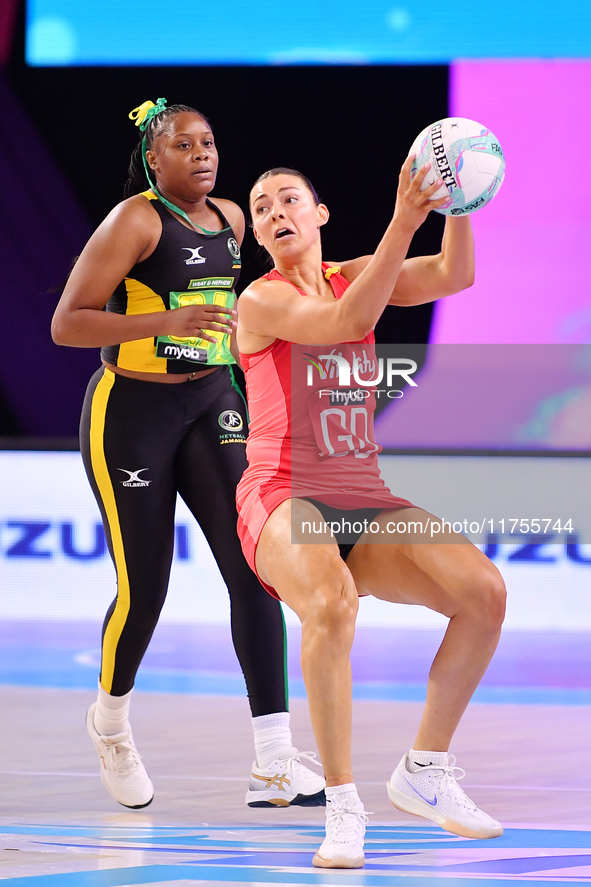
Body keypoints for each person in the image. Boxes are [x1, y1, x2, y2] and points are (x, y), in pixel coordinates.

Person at [51, 99, 324, 810]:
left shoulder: (233, 219)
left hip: (210, 402)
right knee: (145, 588)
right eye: (184, 145)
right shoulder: (134, 221)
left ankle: (273, 759)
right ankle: (109, 722)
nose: (202, 154)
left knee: (254, 569)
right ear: (154, 157)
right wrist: (167, 320)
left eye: (208, 142)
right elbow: (67, 323)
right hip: (131, 416)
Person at [235, 161, 507, 867]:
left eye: (288, 197)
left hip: (362, 492)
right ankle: (343, 804)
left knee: (482, 592)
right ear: (259, 233)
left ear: (319, 213)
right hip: (280, 493)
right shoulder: (259, 302)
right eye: (261, 207)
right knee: (330, 603)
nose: (274, 211)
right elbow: (345, 321)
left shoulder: (354, 270)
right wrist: (403, 216)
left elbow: (453, 274)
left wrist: (460, 197)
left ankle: (424, 767)